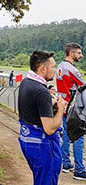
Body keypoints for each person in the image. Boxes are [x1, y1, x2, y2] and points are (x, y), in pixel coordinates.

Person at [18, 51, 66, 185]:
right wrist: (61, 108)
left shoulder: (26, 82)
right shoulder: (41, 92)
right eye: (53, 67)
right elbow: (50, 129)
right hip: (42, 146)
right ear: (43, 68)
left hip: (27, 140)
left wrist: (51, 104)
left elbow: (33, 107)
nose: (55, 70)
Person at [56, 42, 86, 180]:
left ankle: (66, 163)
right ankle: (80, 170)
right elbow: (83, 86)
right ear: (71, 53)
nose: (81, 55)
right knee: (78, 137)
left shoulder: (60, 67)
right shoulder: (72, 70)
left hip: (63, 106)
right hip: (73, 108)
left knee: (66, 136)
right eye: (79, 53)